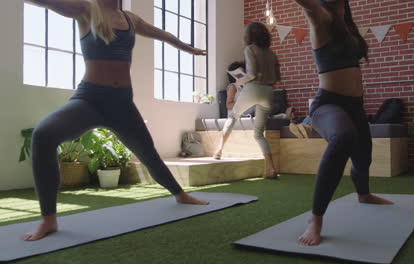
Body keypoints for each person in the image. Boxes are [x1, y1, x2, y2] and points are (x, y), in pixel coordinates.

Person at [23, 0, 208, 241]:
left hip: (122, 104)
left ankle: (180, 195)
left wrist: (188, 48)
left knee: (148, 154)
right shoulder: (85, 10)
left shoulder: (131, 19)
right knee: (43, 135)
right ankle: (49, 220)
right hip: (89, 100)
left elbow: (162, 34)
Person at [292, 0, 394, 246]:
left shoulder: (345, 22)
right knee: (343, 137)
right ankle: (315, 218)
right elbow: (307, 5)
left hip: (355, 107)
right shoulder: (321, 17)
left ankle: (364, 195)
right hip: (328, 104)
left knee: (363, 158)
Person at [212, 22, 281, 179]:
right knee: (258, 133)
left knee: (233, 116)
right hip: (269, 92)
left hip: (253, 88)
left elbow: (251, 74)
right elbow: (278, 78)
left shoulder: (249, 49)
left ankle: (219, 151)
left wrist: (238, 82)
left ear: (249, 36)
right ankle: (270, 168)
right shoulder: (272, 53)